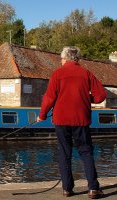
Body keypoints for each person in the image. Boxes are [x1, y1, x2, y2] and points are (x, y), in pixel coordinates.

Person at [37, 46, 106, 199]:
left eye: (61, 59)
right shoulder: (86, 73)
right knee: (86, 152)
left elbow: (49, 98)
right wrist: (88, 99)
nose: (61, 61)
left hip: (61, 120)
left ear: (65, 58)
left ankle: (67, 189)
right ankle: (93, 189)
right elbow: (101, 95)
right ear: (77, 59)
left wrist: (42, 115)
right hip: (81, 120)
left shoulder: (57, 74)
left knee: (64, 152)